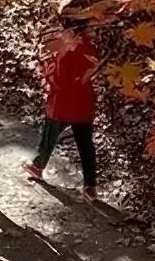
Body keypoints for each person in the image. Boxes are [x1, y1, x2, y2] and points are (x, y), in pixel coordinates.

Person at [23, 13, 100, 198]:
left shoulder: (66, 53)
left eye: (64, 29)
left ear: (72, 32)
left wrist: (46, 72)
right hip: (83, 104)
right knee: (85, 145)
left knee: (49, 137)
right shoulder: (90, 49)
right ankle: (90, 185)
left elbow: (59, 81)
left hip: (62, 105)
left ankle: (37, 167)